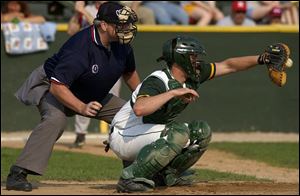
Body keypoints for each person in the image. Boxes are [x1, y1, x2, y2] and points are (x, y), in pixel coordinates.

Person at [107, 35, 290, 192]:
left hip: (143, 135)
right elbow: (140, 108)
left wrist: (261, 58)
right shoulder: (158, 80)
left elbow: (228, 66)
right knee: (177, 133)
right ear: (180, 59)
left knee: (200, 131)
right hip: (124, 135)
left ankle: (166, 175)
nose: (196, 60)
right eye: (192, 56)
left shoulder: (192, 75)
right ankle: (129, 178)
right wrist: (173, 92)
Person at [6, 2, 140, 192]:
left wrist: (142, 97)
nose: (126, 28)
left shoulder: (122, 45)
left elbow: (129, 73)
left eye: (127, 24)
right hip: (52, 86)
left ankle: (134, 174)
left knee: (130, 116)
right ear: (103, 25)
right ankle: (17, 174)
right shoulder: (80, 46)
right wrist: (82, 108)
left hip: (91, 92)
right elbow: (58, 86)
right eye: (121, 24)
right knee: (56, 120)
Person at [67, 1, 123, 148]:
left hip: (111, 57)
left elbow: (102, 26)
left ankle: (114, 136)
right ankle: (80, 135)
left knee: (113, 98)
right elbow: (71, 30)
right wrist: (77, 13)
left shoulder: (115, 9)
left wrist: (84, 12)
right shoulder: (87, 9)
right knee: (83, 96)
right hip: (89, 58)